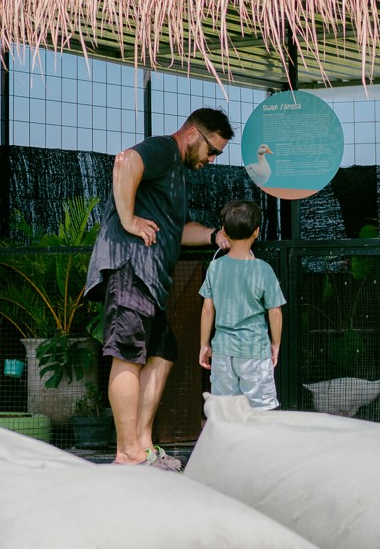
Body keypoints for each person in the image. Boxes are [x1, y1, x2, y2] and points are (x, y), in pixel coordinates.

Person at [84, 107, 235, 469]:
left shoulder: (177, 174)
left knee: (163, 350)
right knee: (127, 354)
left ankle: (143, 445)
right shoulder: (164, 149)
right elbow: (125, 162)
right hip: (130, 268)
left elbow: (178, 230)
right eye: (212, 150)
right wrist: (128, 220)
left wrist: (215, 235)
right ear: (193, 135)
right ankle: (128, 454)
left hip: (151, 280)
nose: (212, 160)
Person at [198, 199, 285, 410]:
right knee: (260, 410)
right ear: (256, 232)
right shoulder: (263, 269)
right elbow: (275, 311)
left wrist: (204, 345)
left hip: (223, 351)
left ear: (224, 231)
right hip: (255, 349)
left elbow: (207, 309)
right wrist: (275, 344)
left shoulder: (215, 268)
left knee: (225, 409)